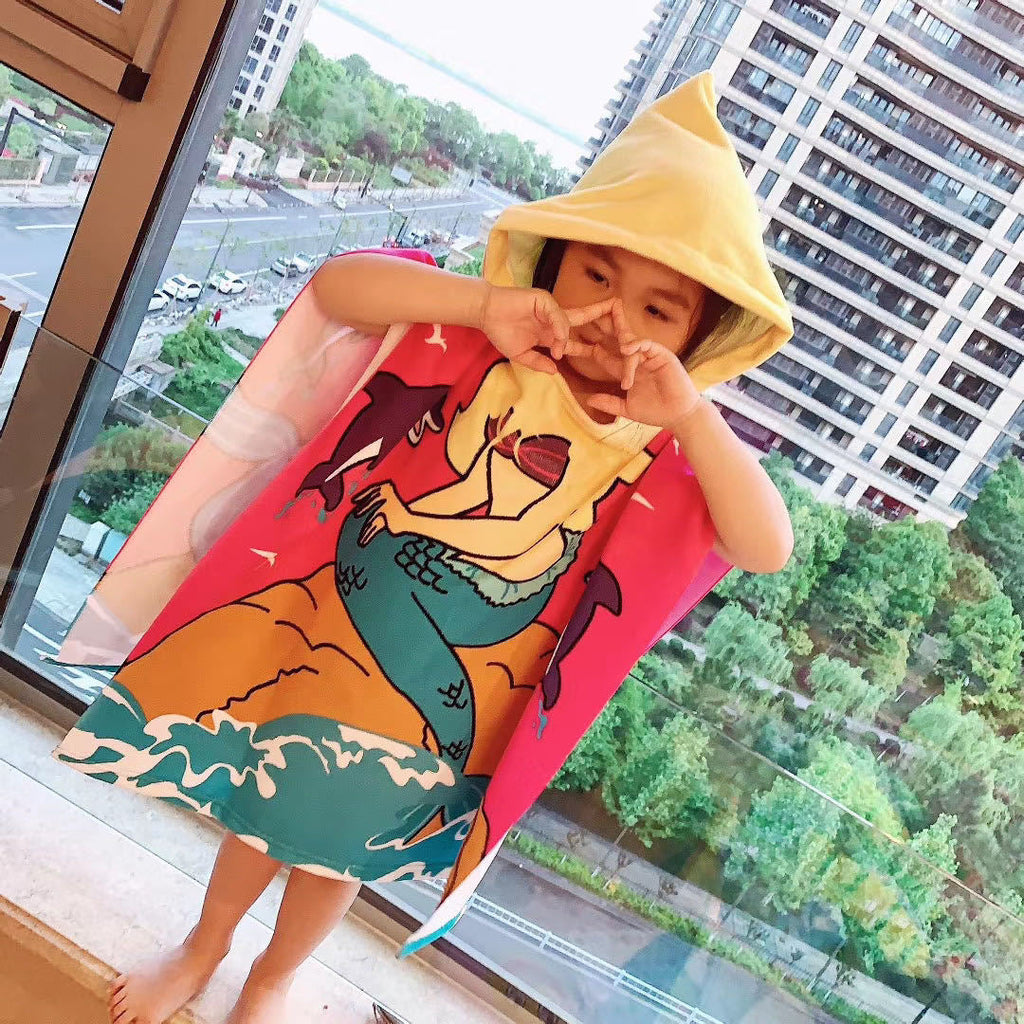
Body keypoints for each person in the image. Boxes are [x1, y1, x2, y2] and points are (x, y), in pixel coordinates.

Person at [54, 73, 794, 1024]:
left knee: (341, 857)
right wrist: (484, 304)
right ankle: (205, 944)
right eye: (598, 276)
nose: (614, 317)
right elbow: (341, 286)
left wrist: (689, 416)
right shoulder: (484, 343)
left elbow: (766, 544)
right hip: (338, 635)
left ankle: (274, 977)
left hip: (457, 681)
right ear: (555, 261)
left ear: (698, 338)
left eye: (660, 310)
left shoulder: (662, 443)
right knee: (266, 809)